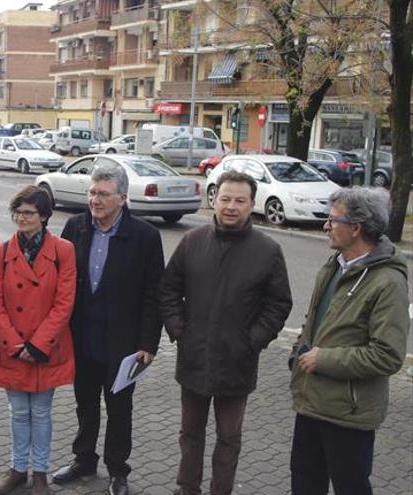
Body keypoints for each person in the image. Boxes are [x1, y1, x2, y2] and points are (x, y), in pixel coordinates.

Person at [159, 170, 293, 495]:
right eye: (225, 199)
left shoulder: (267, 250)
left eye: (240, 200)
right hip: (194, 357)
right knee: (190, 432)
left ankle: (222, 490)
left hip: (237, 360)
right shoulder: (192, 242)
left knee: (229, 436)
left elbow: (279, 303)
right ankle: (187, 487)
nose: (231, 206)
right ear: (214, 200)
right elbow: (169, 290)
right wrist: (179, 330)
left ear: (251, 205)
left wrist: (255, 340)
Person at [53, 163, 164, 495]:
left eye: (103, 194)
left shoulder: (145, 236)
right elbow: (62, 284)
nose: (95, 200)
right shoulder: (75, 228)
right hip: (83, 339)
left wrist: (148, 343)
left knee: (119, 411)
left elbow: (153, 294)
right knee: (85, 404)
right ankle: (84, 459)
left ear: (122, 198)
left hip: (124, 345)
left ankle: (118, 471)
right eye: (91, 192)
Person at [289, 187, 408, 495]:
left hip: (349, 412)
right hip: (310, 401)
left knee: (351, 487)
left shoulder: (388, 282)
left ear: (355, 229)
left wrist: (322, 359)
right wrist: (297, 352)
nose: (326, 226)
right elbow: (314, 321)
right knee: (304, 483)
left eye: (333, 220)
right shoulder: (333, 265)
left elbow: (388, 355)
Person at [0, 185, 77, 495]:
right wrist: (15, 344)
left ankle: (40, 471)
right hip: (12, 348)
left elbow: (65, 302)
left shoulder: (63, 251)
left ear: (44, 216)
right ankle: (17, 468)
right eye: (18, 212)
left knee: (40, 412)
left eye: (28, 213)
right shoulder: (0, 253)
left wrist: (37, 344)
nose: (21, 218)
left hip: (45, 348)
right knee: (17, 413)